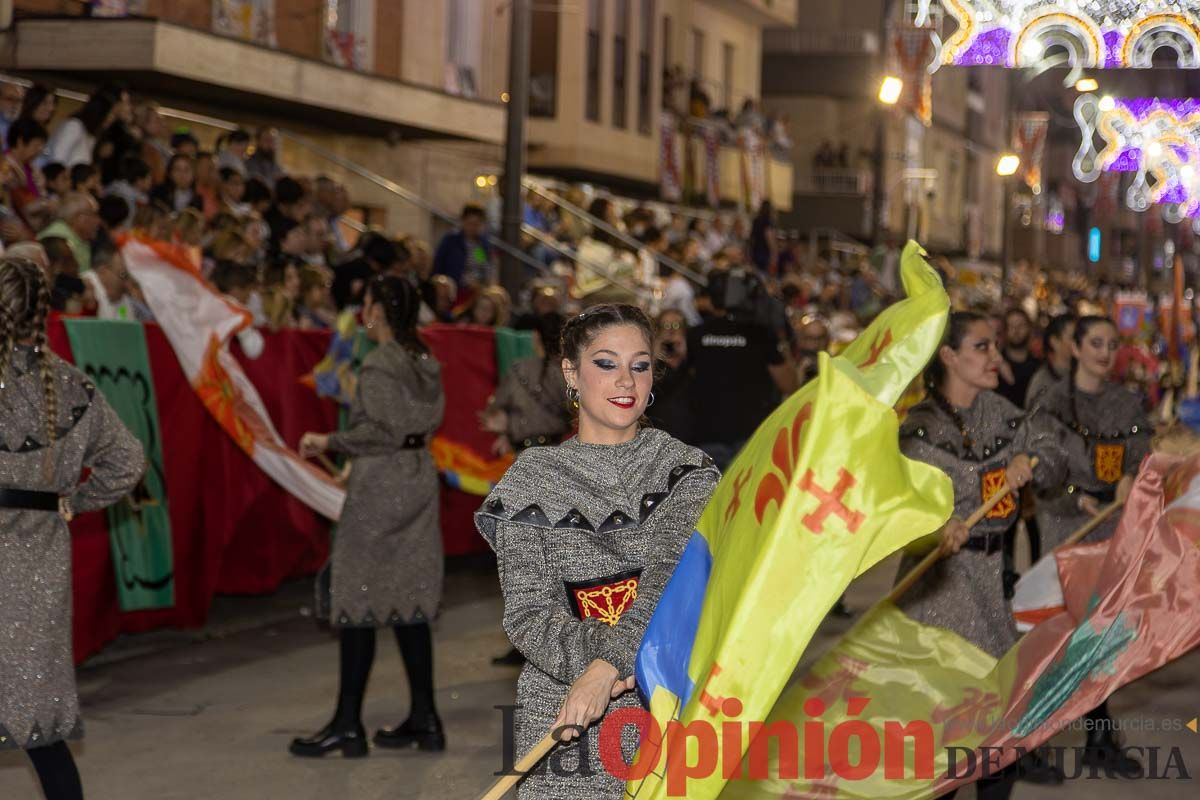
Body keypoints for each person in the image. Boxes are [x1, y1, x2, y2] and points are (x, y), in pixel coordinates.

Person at [475, 304, 719, 798]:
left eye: (640, 364)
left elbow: (672, 584)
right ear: (571, 372)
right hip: (560, 713)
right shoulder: (530, 478)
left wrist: (607, 670)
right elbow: (527, 614)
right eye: (606, 363)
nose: (625, 380)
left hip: (668, 711)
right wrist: (590, 674)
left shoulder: (688, 472)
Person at [896, 312, 1068, 798]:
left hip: (997, 582)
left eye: (995, 346)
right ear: (949, 355)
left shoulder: (1005, 413)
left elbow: (1055, 458)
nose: (995, 357)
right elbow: (902, 511)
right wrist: (936, 528)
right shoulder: (918, 428)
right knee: (941, 745)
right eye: (982, 346)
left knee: (997, 745)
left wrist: (1030, 460)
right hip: (940, 591)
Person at [0, 255, 145, 800]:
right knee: (39, 730)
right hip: (39, 563)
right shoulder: (73, 386)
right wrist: (75, 501)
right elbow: (129, 463)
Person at [291, 275, 446, 757]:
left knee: (356, 598)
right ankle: (426, 718)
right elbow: (408, 430)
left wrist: (330, 441)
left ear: (378, 310)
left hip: (381, 489)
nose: (363, 309)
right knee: (409, 601)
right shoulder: (425, 360)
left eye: (367, 302)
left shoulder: (379, 364)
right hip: (417, 476)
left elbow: (379, 430)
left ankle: (347, 723)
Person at [1033, 315, 1150, 776]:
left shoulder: (1127, 403)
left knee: (1103, 637)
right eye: (1095, 343)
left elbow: (1141, 453)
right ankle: (1028, 739)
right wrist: (1074, 497)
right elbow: (1040, 471)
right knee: (1065, 640)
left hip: (1112, 529)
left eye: (1111, 344)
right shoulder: (1052, 402)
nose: (1104, 352)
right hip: (1068, 529)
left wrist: (1127, 479)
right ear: (1076, 348)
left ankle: (1099, 736)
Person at [688, 267, 796, 469]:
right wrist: (781, 339)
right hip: (752, 438)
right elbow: (789, 384)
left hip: (705, 435)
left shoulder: (695, 335)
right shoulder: (761, 335)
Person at [45, 84, 122, 167]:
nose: (112, 119)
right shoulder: (74, 126)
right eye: (111, 114)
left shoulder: (91, 136)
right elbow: (56, 161)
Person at [433, 203, 494, 293]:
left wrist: (482, 284)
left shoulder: (480, 245)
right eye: (470, 223)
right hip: (454, 289)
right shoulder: (451, 241)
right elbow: (439, 265)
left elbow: (483, 266)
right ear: (463, 222)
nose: (473, 228)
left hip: (476, 290)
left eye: (476, 224)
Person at [37, 193, 100, 273]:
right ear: (80, 218)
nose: (98, 221)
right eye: (94, 215)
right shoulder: (56, 240)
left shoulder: (80, 237)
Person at [1026, 313, 1075, 406]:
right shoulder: (1042, 382)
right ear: (1054, 341)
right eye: (1072, 338)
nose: (1078, 343)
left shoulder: (1084, 375)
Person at [997, 308, 1041, 408]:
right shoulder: (996, 365)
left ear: (1029, 328)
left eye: (1021, 325)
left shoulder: (1039, 367)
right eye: (1011, 326)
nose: (1016, 331)